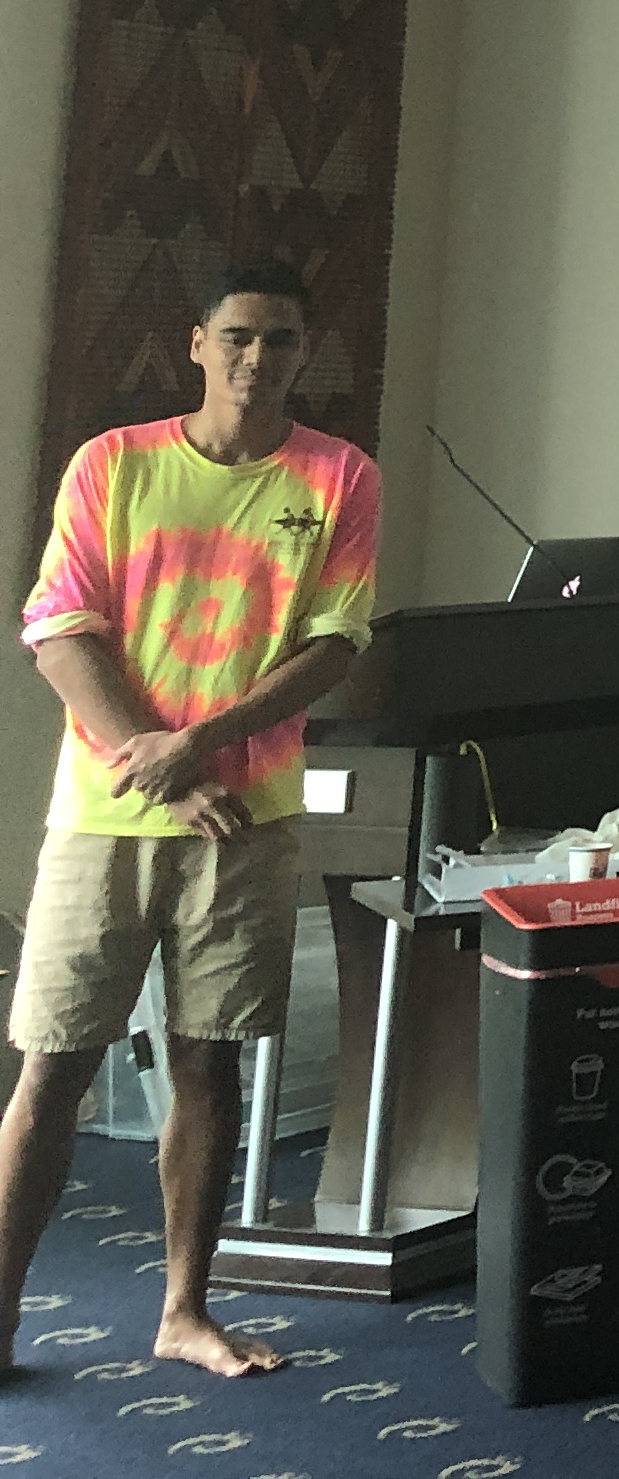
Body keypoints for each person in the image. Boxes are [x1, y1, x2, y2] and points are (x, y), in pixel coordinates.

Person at [0, 259, 376, 1382]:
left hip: (245, 819)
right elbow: (59, 633)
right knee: (52, 1071)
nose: (260, 359)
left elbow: (334, 644)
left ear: (304, 353)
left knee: (210, 1068)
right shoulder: (113, 464)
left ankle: (184, 1313)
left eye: (283, 340)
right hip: (106, 818)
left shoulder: (340, 477)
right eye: (240, 337)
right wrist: (156, 765)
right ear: (199, 343)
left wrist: (200, 748)